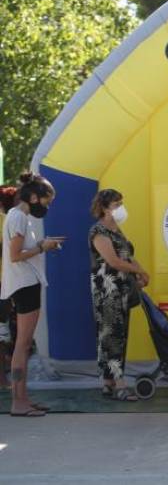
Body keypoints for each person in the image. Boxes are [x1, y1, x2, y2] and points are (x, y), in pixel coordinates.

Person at [1, 173, 63, 417]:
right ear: (34, 197)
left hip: (27, 283)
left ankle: (23, 397)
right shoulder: (18, 218)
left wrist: (43, 245)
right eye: (46, 202)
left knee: (24, 345)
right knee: (22, 344)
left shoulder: (20, 217)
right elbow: (16, 255)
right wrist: (41, 247)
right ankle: (18, 402)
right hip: (24, 285)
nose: (46, 207)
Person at [89, 189, 148, 401]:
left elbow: (127, 256)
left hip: (122, 289)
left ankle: (108, 383)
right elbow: (113, 261)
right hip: (107, 290)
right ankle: (120, 384)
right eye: (116, 204)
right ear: (104, 208)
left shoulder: (116, 230)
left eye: (121, 203)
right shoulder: (99, 232)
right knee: (111, 336)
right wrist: (138, 271)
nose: (121, 208)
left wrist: (141, 272)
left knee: (117, 334)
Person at [0, 185, 19, 389]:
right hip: (4, 285)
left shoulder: (7, 221)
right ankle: (3, 380)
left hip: (6, 283)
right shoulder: (8, 222)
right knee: (2, 332)